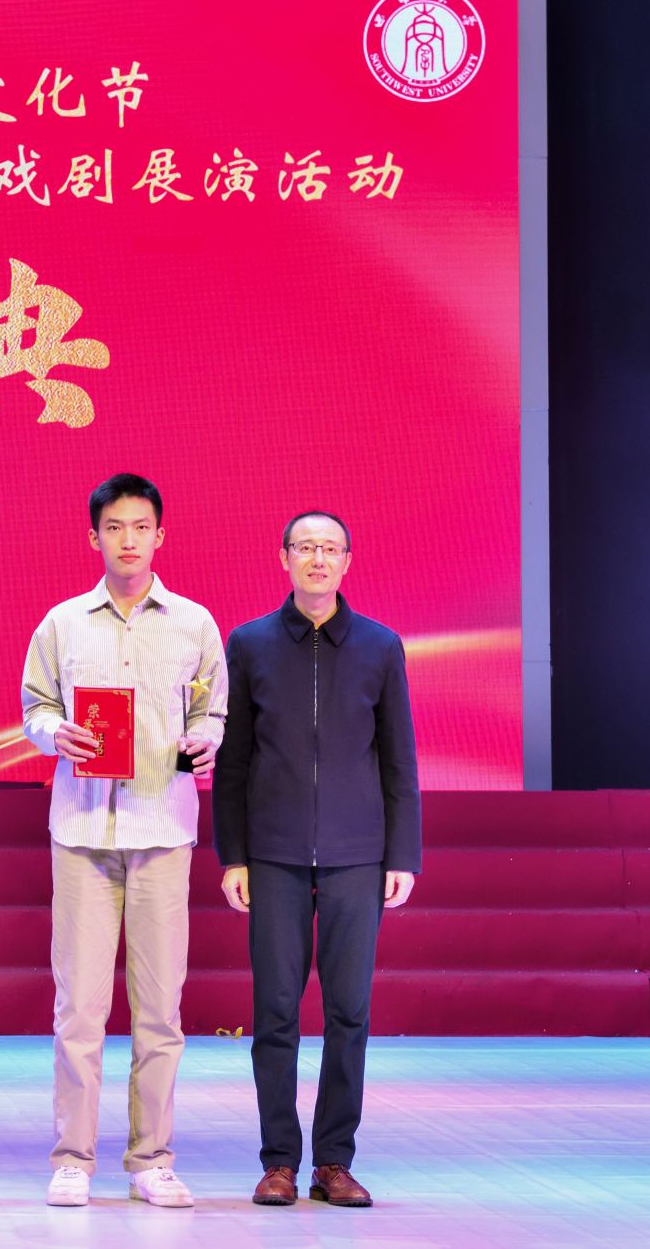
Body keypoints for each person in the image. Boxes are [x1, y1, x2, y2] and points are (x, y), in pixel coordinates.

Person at [21, 473, 228, 1210]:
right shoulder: (62, 623)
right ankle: (73, 1159)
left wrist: (205, 738)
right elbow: (35, 706)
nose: (129, 539)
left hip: (161, 831)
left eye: (141, 527)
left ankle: (151, 1159)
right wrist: (54, 732)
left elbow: (213, 711)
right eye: (115, 527)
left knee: (159, 1009)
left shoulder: (194, 624)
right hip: (82, 831)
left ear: (160, 535)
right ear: (95, 537)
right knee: (79, 1009)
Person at [212, 511, 422, 1210]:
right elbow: (233, 760)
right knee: (275, 1010)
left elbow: (398, 758)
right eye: (306, 548)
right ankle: (278, 1160)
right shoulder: (249, 644)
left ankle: (334, 1160)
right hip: (271, 853)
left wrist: (402, 854)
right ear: (284, 558)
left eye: (330, 549)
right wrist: (233, 854)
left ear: (347, 561)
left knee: (349, 1011)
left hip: (358, 855)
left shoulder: (380, 646)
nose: (318, 559)